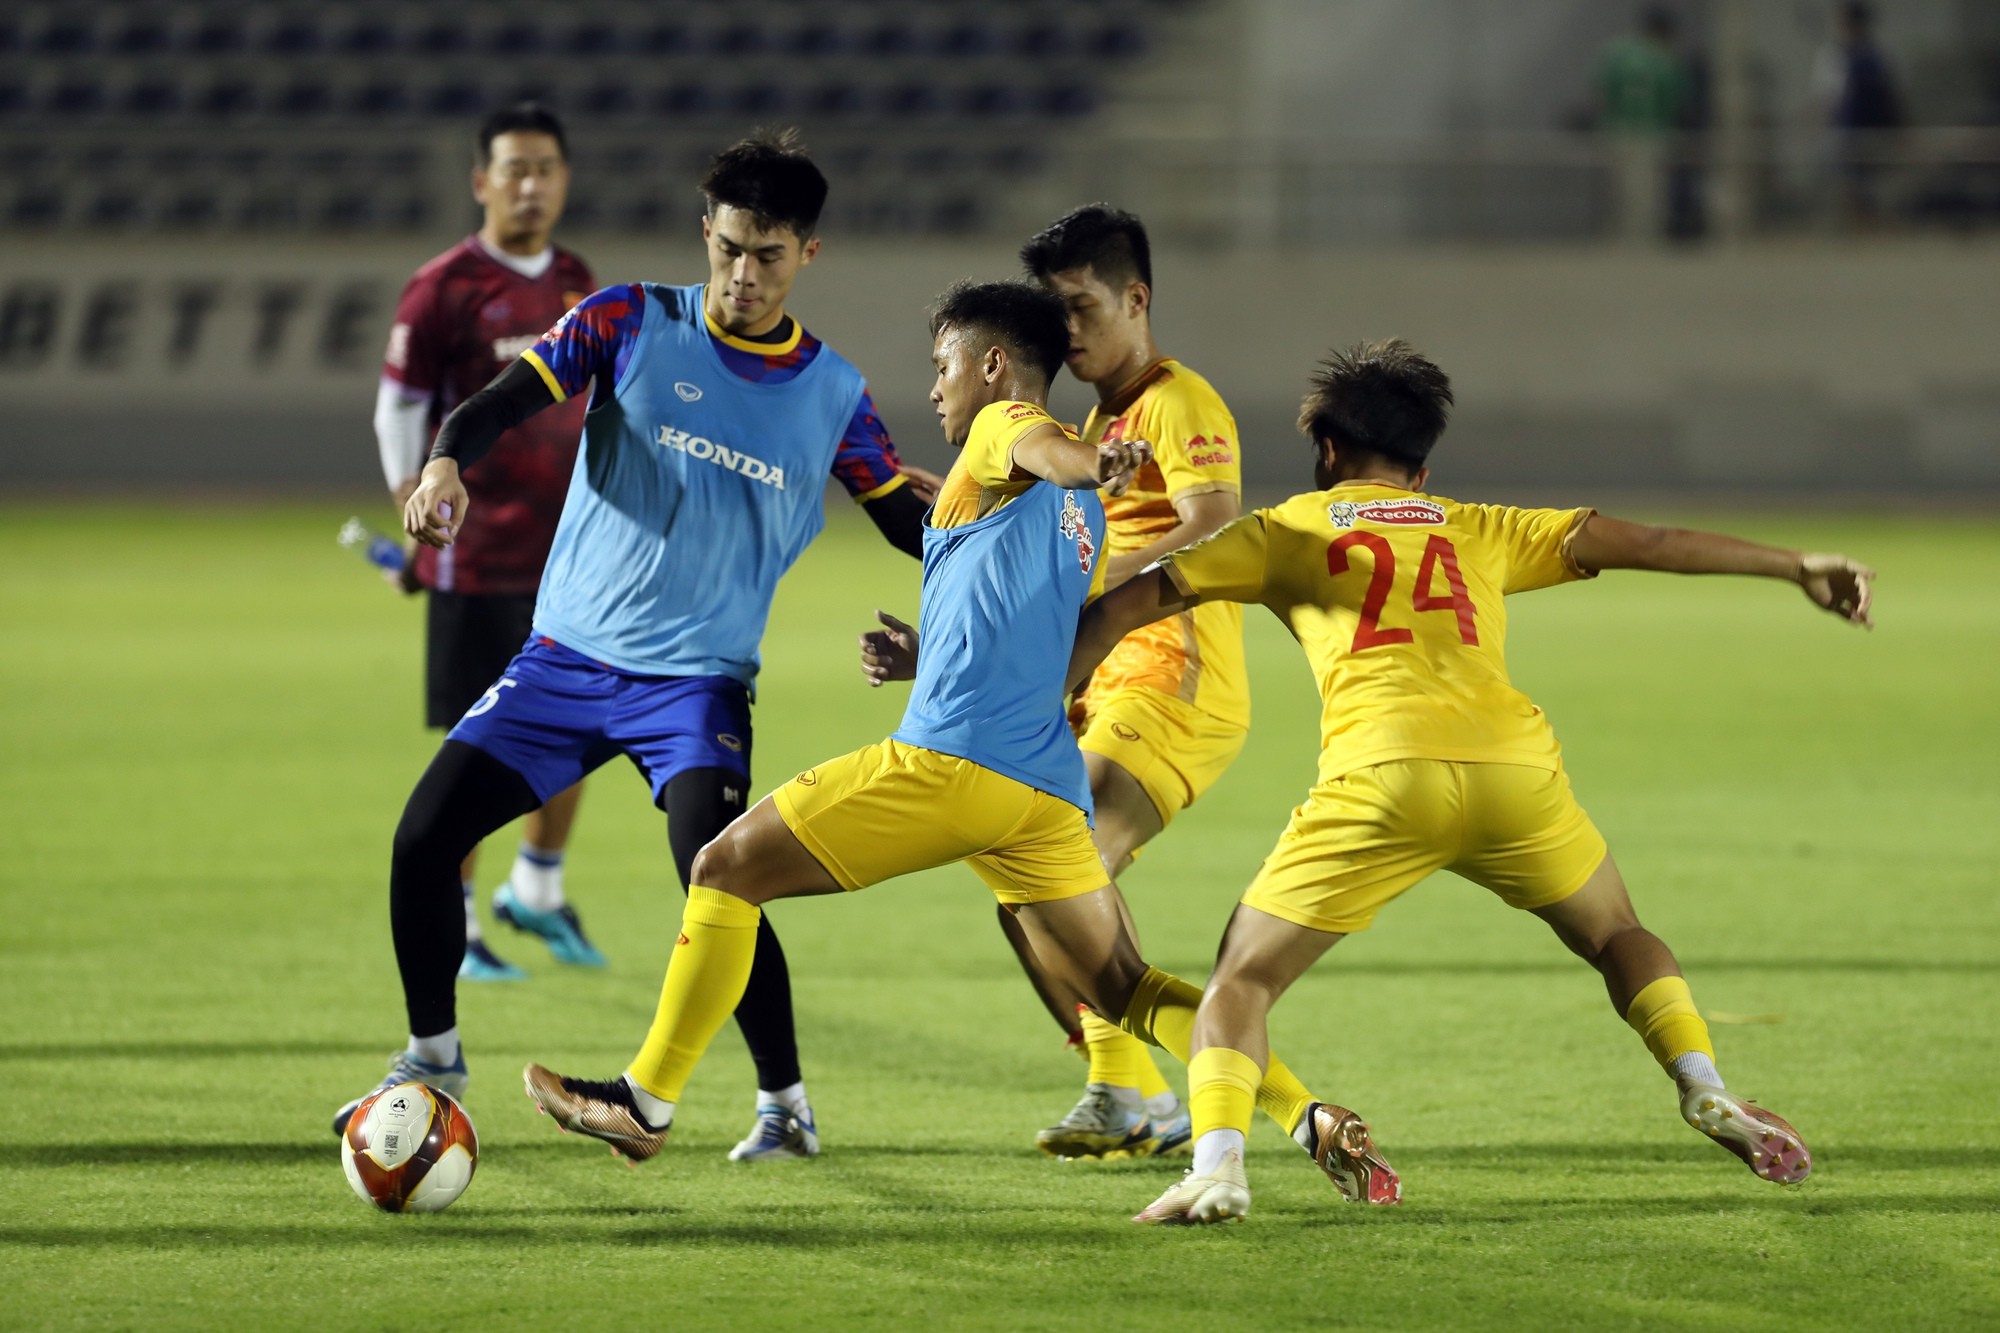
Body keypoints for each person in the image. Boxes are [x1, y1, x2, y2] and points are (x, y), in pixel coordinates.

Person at [520, 282, 1397, 1221]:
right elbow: (1028, 625)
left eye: (942, 365)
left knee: (725, 865)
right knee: (1126, 985)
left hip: (949, 767)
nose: (933, 388)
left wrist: (1091, 457)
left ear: (989, 366)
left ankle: (644, 1101)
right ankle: (1309, 1116)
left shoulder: (1005, 427)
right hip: (1044, 794)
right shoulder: (1080, 520)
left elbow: (1042, 445)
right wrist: (925, 654)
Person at [1067, 338, 1874, 1224]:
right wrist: (1797, 564)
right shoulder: (1479, 525)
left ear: (1329, 450)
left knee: (1241, 984)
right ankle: (1703, 1080)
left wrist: (1051, 692)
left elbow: (1124, 605)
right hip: (1515, 773)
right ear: (1424, 464)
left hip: (1383, 778)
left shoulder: (1284, 528)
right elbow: (1653, 540)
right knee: (1617, 935)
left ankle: (1218, 1167)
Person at [337, 131, 939, 1164]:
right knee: (422, 839)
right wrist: (444, 465)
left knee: (720, 875)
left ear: (808, 255)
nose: (744, 277)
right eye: (731, 249)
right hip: (563, 662)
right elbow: (499, 402)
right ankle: (431, 1058)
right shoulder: (627, 320)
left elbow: (904, 520)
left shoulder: (832, 395)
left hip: (696, 685)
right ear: (705, 231)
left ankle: (784, 1106)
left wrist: (986, 599)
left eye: (769, 256)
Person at [992, 205, 1250, 1160]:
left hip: (1175, 678)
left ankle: (1164, 1087)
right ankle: (1127, 1087)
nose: (1067, 332)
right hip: (1106, 680)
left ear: (1136, 298)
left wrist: (1095, 570)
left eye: (1082, 306)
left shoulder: (1179, 400)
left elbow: (1218, 522)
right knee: (1023, 878)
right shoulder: (1101, 420)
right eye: (1053, 313)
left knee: (1067, 857)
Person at [373, 102, 600, 982]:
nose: (532, 185)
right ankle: (462, 922)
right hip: (475, 554)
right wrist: (410, 496)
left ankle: (536, 888)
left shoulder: (577, 276)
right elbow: (400, 401)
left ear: (565, 179)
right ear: (482, 182)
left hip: (571, 551)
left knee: (581, 721)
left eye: (546, 167)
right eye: (514, 169)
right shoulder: (444, 287)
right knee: (478, 740)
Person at [1595, 7, 1688, 244]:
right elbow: (1673, 101)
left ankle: (1619, 241)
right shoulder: (1664, 59)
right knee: (1647, 194)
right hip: (1651, 133)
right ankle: (1644, 243)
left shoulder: (1617, 52)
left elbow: (1602, 94)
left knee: (1619, 192)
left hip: (1618, 131)